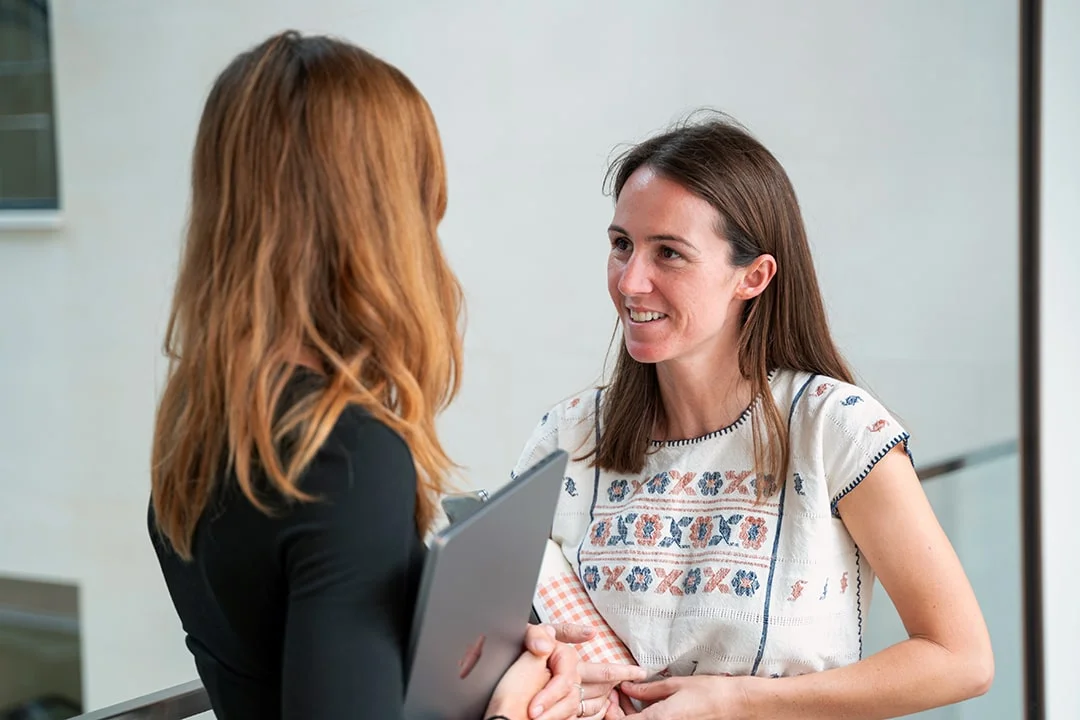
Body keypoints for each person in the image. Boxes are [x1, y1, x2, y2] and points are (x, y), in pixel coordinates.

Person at [147, 30, 589, 720]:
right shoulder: (343, 458)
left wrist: (494, 663)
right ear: (379, 227)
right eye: (421, 207)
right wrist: (510, 712)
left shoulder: (201, 434)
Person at [512, 115, 995, 719]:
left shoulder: (834, 428)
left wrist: (737, 701)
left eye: (669, 253)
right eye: (621, 245)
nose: (632, 281)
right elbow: (500, 635)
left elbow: (961, 658)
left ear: (754, 276)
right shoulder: (569, 435)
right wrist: (540, 658)